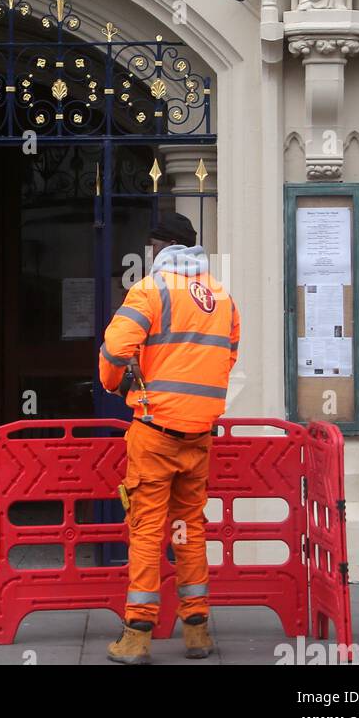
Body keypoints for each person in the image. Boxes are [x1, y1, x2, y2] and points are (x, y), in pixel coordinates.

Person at [98, 210, 239, 665]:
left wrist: (114, 382)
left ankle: (137, 634)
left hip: (155, 431)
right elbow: (227, 356)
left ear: (159, 248)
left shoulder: (150, 289)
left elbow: (116, 349)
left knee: (146, 530)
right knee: (187, 528)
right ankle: (197, 633)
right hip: (199, 435)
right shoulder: (221, 297)